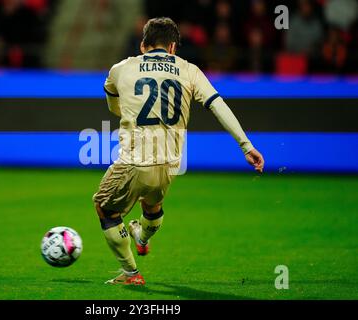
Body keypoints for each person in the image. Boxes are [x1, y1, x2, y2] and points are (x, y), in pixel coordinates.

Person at [93, 17, 264, 285]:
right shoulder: (189, 70)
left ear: (142, 45)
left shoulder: (121, 68)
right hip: (172, 163)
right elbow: (217, 105)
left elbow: (113, 104)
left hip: (135, 159)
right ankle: (143, 237)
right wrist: (246, 145)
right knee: (152, 204)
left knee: (104, 207)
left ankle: (131, 274)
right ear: (172, 47)